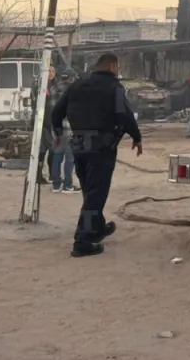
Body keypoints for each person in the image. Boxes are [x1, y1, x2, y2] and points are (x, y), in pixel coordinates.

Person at [49, 52, 142, 257]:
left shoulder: (77, 85)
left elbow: (56, 112)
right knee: (95, 196)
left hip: (79, 147)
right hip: (101, 149)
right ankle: (82, 241)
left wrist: (58, 134)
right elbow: (124, 115)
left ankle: (97, 227)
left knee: (91, 192)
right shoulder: (114, 88)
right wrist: (137, 137)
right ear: (112, 67)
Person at [44, 67, 76, 193]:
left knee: (57, 156)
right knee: (70, 158)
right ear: (72, 78)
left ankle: (56, 185)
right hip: (69, 128)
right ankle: (68, 185)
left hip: (56, 129)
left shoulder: (52, 89)